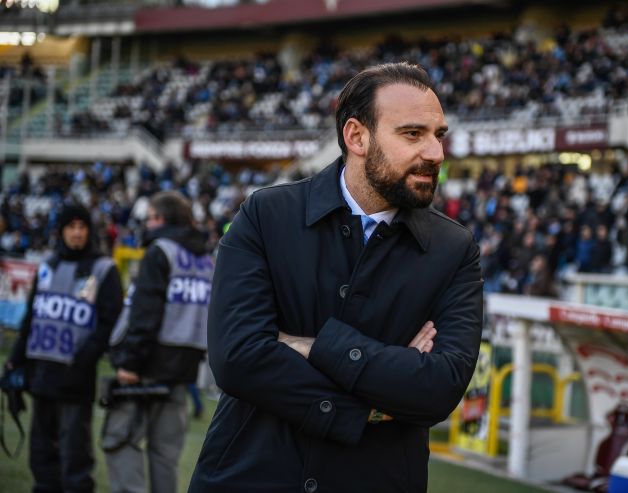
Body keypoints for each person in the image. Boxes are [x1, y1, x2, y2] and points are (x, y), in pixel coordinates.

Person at [188, 62, 483, 493]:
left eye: (438, 135)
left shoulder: (455, 250)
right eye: (413, 134)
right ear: (356, 137)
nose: (436, 152)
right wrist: (368, 406)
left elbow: (438, 389)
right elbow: (236, 359)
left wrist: (314, 346)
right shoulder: (266, 215)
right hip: (247, 477)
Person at [3, 203, 123, 493]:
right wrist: (14, 361)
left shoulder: (103, 269)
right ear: (61, 231)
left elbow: (110, 323)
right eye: (71, 227)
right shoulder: (47, 265)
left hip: (75, 380)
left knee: (75, 463)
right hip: (42, 375)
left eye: (82, 227)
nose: (77, 233)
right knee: (42, 459)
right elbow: (31, 318)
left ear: (89, 231)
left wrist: (84, 360)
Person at [103, 191, 214, 493]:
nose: (147, 224)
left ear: (162, 219)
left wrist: (130, 362)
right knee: (165, 456)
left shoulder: (160, 251)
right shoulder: (207, 260)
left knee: (120, 440)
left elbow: (146, 313)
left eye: (150, 217)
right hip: (184, 370)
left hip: (147, 365)